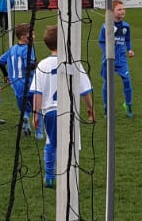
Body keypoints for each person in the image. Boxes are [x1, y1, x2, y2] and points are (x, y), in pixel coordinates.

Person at [31, 24, 96, 188]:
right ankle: (69, 176)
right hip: (69, 112)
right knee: (71, 145)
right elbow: (85, 90)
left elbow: (37, 93)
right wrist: (90, 108)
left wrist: (35, 114)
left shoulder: (42, 65)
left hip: (50, 112)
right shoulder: (74, 63)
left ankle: (50, 175)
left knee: (51, 143)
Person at [0, 22, 36, 138]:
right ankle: (39, 131)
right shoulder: (27, 49)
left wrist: (6, 75)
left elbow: (0, 61)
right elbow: (28, 66)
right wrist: (40, 64)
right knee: (38, 103)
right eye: (32, 34)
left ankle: (25, 117)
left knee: (24, 106)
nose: (34, 36)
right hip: (28, 82)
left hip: (15, 84)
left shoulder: (12, 49)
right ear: (24, 37)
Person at [98, 0, 135, 117]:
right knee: (107, 83)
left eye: (123, 9)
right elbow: (101, 41)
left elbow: (127, 39)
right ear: (112, 12)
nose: (122, 11)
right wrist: (108, 52)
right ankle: (106, 107)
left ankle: (128, 104)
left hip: (121, 59)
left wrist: (129, 49)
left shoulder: (126, 26)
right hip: (108, 60)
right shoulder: (106, 26)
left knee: (127, 81)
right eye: (119, 9)